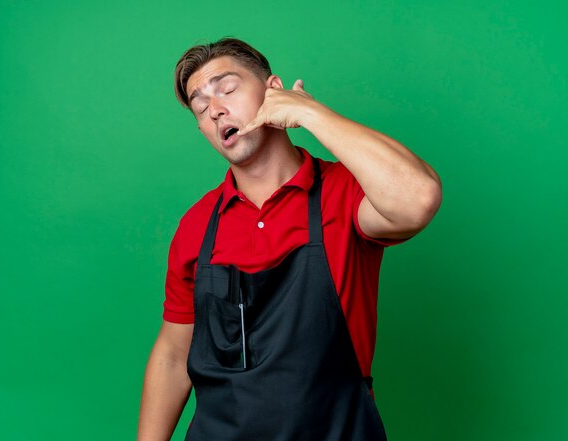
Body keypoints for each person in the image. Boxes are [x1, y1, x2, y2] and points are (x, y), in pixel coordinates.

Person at [137, 37, 442, 441]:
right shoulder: (197, 225)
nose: (215, 109)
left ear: (272, 90)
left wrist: (311, 112)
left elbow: (418, 198)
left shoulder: (345, 193)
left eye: (227, 89)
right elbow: (174, 356)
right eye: (200, 105)